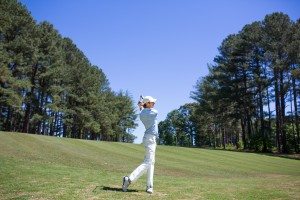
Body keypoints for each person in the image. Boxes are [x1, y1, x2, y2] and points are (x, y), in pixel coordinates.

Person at [122, 95, 158, 194]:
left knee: (151, 162)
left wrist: (141, 106)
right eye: (152, 102)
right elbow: (154, 111)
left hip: (148, 137)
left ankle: (149, 186)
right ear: (147, 103)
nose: (154, 103)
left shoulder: (142, 113)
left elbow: (143, 110)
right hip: (150, 138)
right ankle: (129, 179)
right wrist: (142, 105)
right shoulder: (153, 112)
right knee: (148, 162)